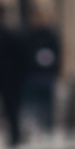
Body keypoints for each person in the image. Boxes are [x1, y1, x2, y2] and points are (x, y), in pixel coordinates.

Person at [23, 8, 61, 136]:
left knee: (46, 103)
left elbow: (57, 54)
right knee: (34, 102)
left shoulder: (49, 36)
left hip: (45, 75)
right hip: (33, 74)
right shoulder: (29, 36)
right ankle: (36, 125)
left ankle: (47, 126)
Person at [0, 4, 26, 148]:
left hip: (5, 78)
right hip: (11, 78)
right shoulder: (11, 33)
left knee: (10, 108)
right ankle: (14, 136)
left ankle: (14, 136)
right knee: (12, 109)